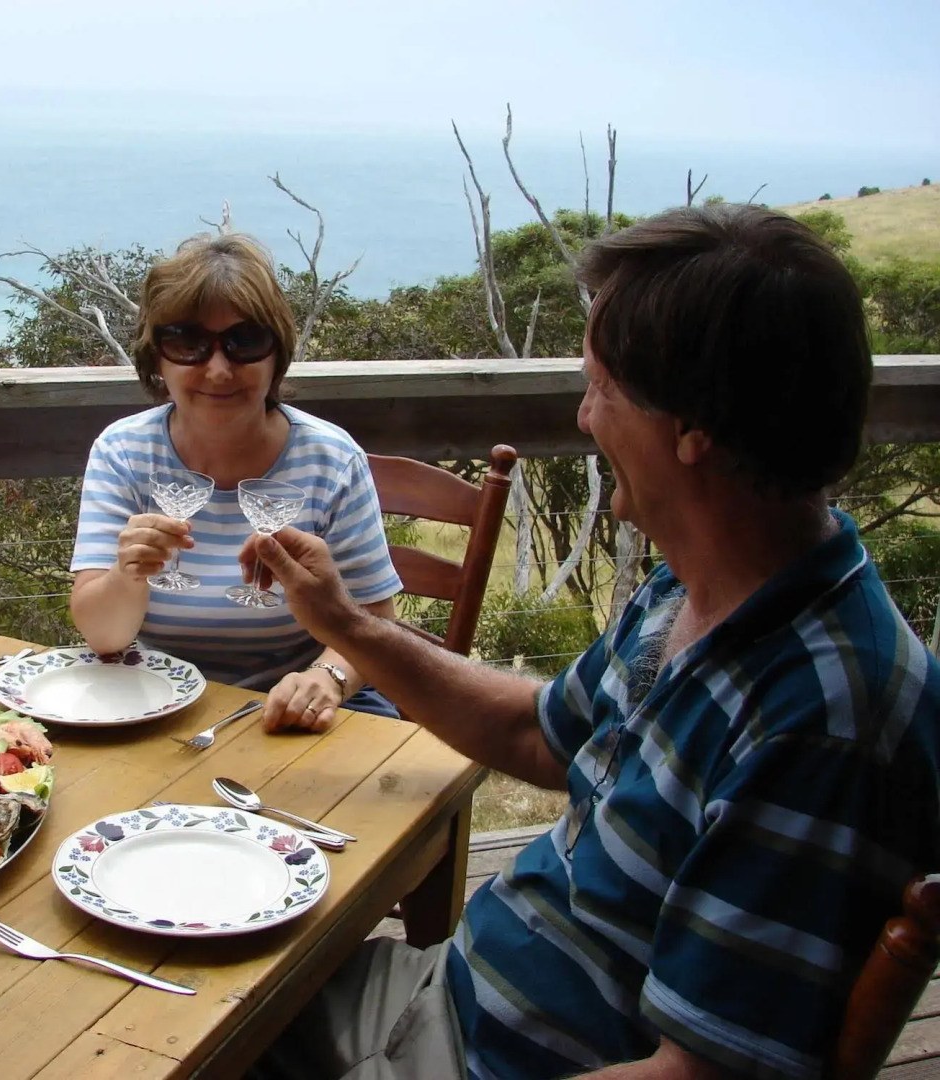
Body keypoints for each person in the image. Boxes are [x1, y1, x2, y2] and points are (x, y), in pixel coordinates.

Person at [241, 204, 940, 1080]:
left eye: (602, 386)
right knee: (177, 1000)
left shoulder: (827, 720)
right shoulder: (692, 585)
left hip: (494, 1062)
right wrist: (345, 626)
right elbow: (541, 733)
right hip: (457, 995)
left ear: (694, 431)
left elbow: (703, 1074)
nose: (581, 415)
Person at [69, 232, 403, 729]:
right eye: (188, 344)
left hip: (303, 707)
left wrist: (328, 676)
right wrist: (127, 574)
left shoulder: (331, 459)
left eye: (246, 342)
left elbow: (376, 615)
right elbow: (105, 639)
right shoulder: (123, 452)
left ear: (277, 355)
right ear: (158, 359)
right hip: (160, 701)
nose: (219, 369)